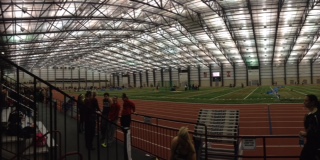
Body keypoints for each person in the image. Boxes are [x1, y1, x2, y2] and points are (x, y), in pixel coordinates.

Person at [299, 94, 320, 160]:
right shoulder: (310, 115)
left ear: (312, 102)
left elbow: (317, 132)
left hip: (315, 147)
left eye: (306, 101)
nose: (304, 102)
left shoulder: (316, 116)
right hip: (310, 144)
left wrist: (306, 134)